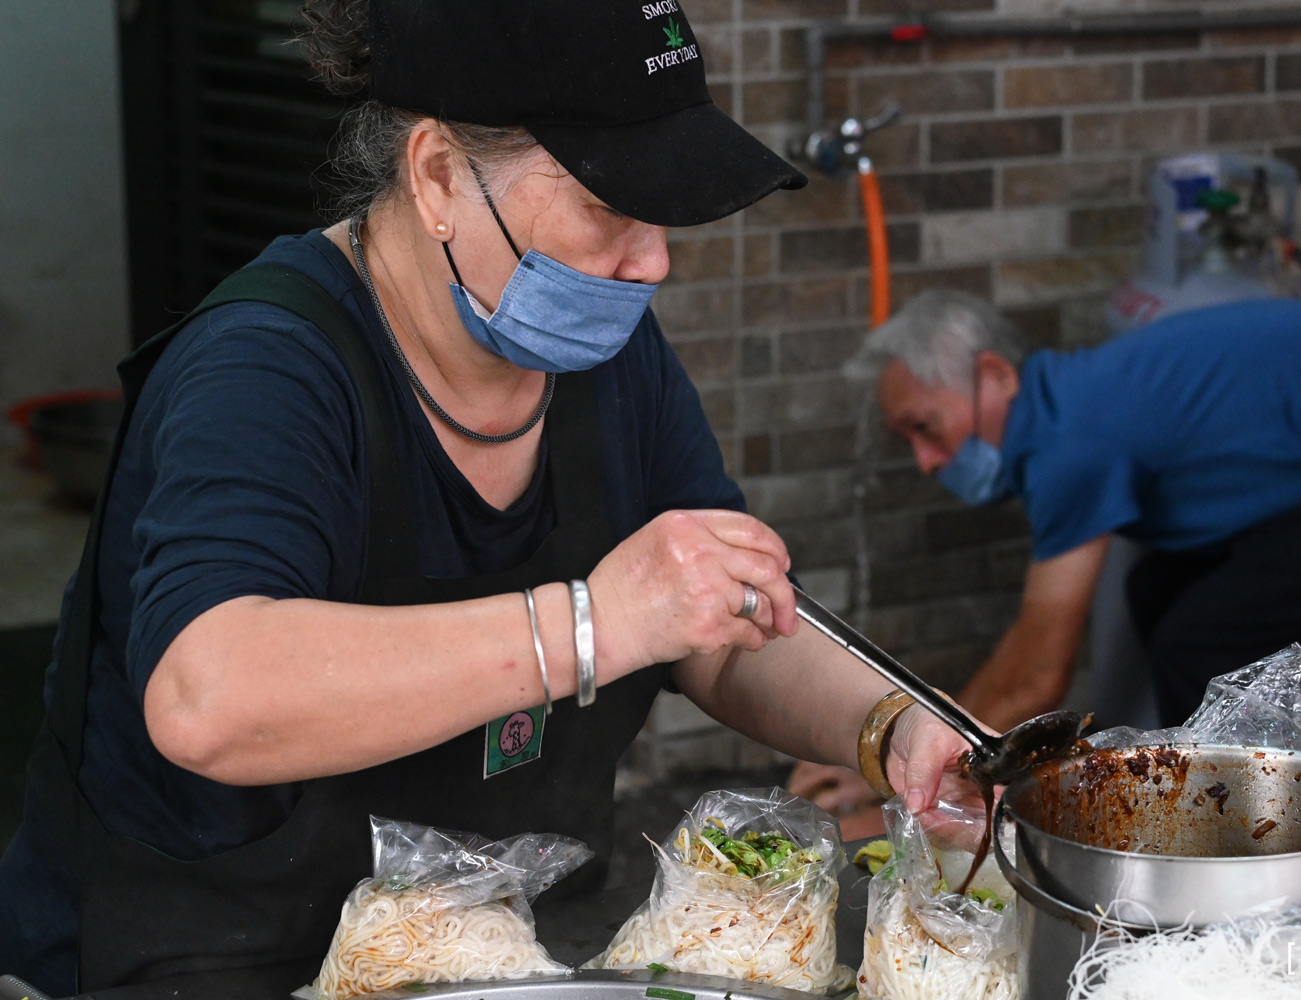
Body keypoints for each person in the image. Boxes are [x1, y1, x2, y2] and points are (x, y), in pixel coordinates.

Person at [0, 2, 976, 992]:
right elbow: (207, 695)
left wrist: (892, 724)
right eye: (609, 206)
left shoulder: (611, 357)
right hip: (193, 965)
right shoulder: (266, 368)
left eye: (662, 211)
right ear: (435, 177)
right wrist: (591, 625)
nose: (653, 261)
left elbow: (717, 625)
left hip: (478, 963)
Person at [794, 289, 1301, 820]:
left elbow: (1036, 671)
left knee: (1209, 640)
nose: (925, 462)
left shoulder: (1069, 440)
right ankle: (1237, 810)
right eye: (908, 442)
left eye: (928, 428)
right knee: (1159, 593)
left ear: (994, 375)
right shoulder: (1070, 402)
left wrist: (898, 772)